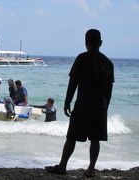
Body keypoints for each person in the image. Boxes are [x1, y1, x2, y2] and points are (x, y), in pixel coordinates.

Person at [45, 29, 114, 177]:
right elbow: (109, 90)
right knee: (95, 139)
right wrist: (105, 107)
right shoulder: (108, 63)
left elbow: (73, 83)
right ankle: (91, 169)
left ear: (86, 43)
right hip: (100, 107)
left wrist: (67, 102)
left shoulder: (82, 58)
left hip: (83, 105)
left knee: (71, 137)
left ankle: (62, 166)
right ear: (100, 43)